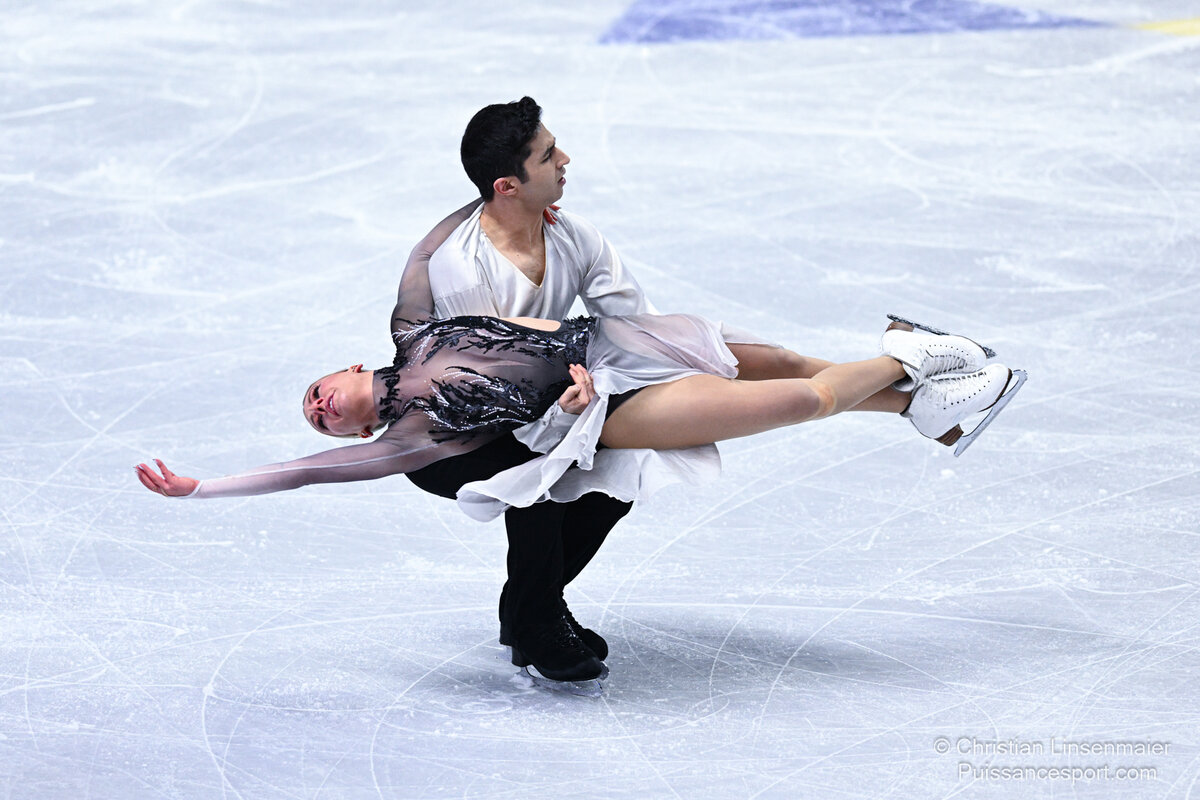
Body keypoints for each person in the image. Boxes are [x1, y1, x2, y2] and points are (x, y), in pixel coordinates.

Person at [136, 245, 1023, 682]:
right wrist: (201, 487)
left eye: (315, 393)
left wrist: (511, 190)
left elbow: (433, 246)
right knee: (803, 400)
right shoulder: (409, 440)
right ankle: (916, 355)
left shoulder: (413, 328)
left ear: (342, 366)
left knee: (788, 362)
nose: (320, 409)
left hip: (623, 341)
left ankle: (922, 408)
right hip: (611, 408)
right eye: (320, 421)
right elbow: (299, 473)